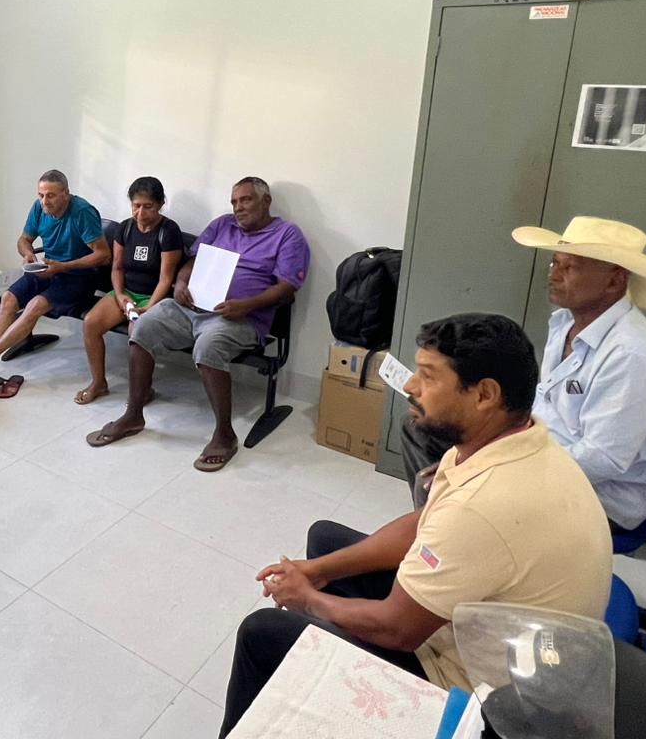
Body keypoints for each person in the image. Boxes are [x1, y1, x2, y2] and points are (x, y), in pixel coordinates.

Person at [218, 313, 611, 738]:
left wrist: (308, 600)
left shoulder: (483, 505)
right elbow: (423, 525)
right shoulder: (511, 441)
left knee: (263, 633)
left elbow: (399, 629)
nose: (410, 385)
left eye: (428, 375)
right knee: (325, 540)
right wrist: (317, 571)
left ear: (484, 394)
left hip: (485, 704)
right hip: (482, 631)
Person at [403, 217, 646, 534]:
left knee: (454, 484)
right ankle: (445, 526)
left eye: (570, 267)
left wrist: (495, 458)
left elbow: (602, 460)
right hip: (538, 453)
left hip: (599, 496)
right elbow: (544, 401)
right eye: (555, 262)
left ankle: (452, 530)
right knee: (424, 425)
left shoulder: (636, 355)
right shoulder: (565, 323)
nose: (554, 273)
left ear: (614, 280)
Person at [85, 177, 308, 471]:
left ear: (266, 201)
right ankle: (133, 415)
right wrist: (180, 282)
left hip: (240, 317)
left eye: (246, 200)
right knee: (144, 325)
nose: (238, 207)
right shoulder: (222, 225)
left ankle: (225, 435)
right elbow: (193, 259)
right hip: (191, 307)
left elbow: (287, 288)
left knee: (208, 345)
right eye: (234, 202)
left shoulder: (287, 235)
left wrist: (247, 305)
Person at [0, 169, 110, 399]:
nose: (44, 201)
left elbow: (103, 255)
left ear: (66, 194)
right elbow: (23, 239)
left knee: (35, 305)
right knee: (8, 299)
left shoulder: (82, 212)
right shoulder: (39, 208)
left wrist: (64, 267)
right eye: (41, 195)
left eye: (51, 195)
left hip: (79, 276)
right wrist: (28, 253)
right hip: (48, 269)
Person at [73, 176, 182, 405]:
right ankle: (99, 383)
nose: (141, 213)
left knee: (137, 331)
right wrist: (121, 295)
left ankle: (142, 390)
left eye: (148, 206)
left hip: (155, 297)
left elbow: (166, 278)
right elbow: (117, 268)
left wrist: (148, 307)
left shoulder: (169, 231)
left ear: (160, 204)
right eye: (136, 206)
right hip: (127, 292)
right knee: (91, 323)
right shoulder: (125, 228)